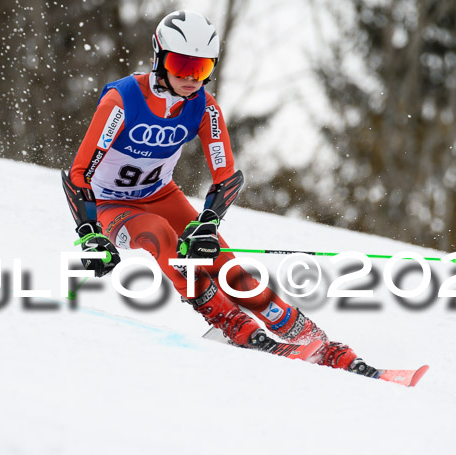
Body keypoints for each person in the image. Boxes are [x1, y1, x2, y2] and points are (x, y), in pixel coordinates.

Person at [62, 10, 378, 377]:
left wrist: (207, 224)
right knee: (163, 237)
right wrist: (89, 235)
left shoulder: (204, 108)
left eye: (201, 69)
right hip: (110, 205)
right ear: (159, 58)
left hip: (162, 194)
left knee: (224, 265)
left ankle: (314, 340)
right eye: (181, 65)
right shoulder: (122, 100)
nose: (189, 78)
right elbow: (78, 174)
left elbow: (226, 177)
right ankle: (234, 325)